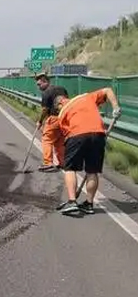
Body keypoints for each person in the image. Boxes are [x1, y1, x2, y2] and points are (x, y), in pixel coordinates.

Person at [53, 87, 121, 215]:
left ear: (60, 103)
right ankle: (89, 204)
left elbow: (67, 136)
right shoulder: (85, 97)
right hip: (99, 134)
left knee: (70, 168)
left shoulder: (62, 114)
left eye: (57, 108)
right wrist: (115, 107)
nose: (58, 111)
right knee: (92, 171)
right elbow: (107, 90)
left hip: (77, 135)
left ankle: (72, 201)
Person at [35, 73, 68, 172]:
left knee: (47, 139)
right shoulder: (62, 89)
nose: (38, 87)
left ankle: (48, 162)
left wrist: (40, 121)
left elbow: (45, 109)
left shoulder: (46, 93)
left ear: (45, 81)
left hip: (53, 118)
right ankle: (63, 162)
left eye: (39, 84)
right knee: (60, 141)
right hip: (64, 118)